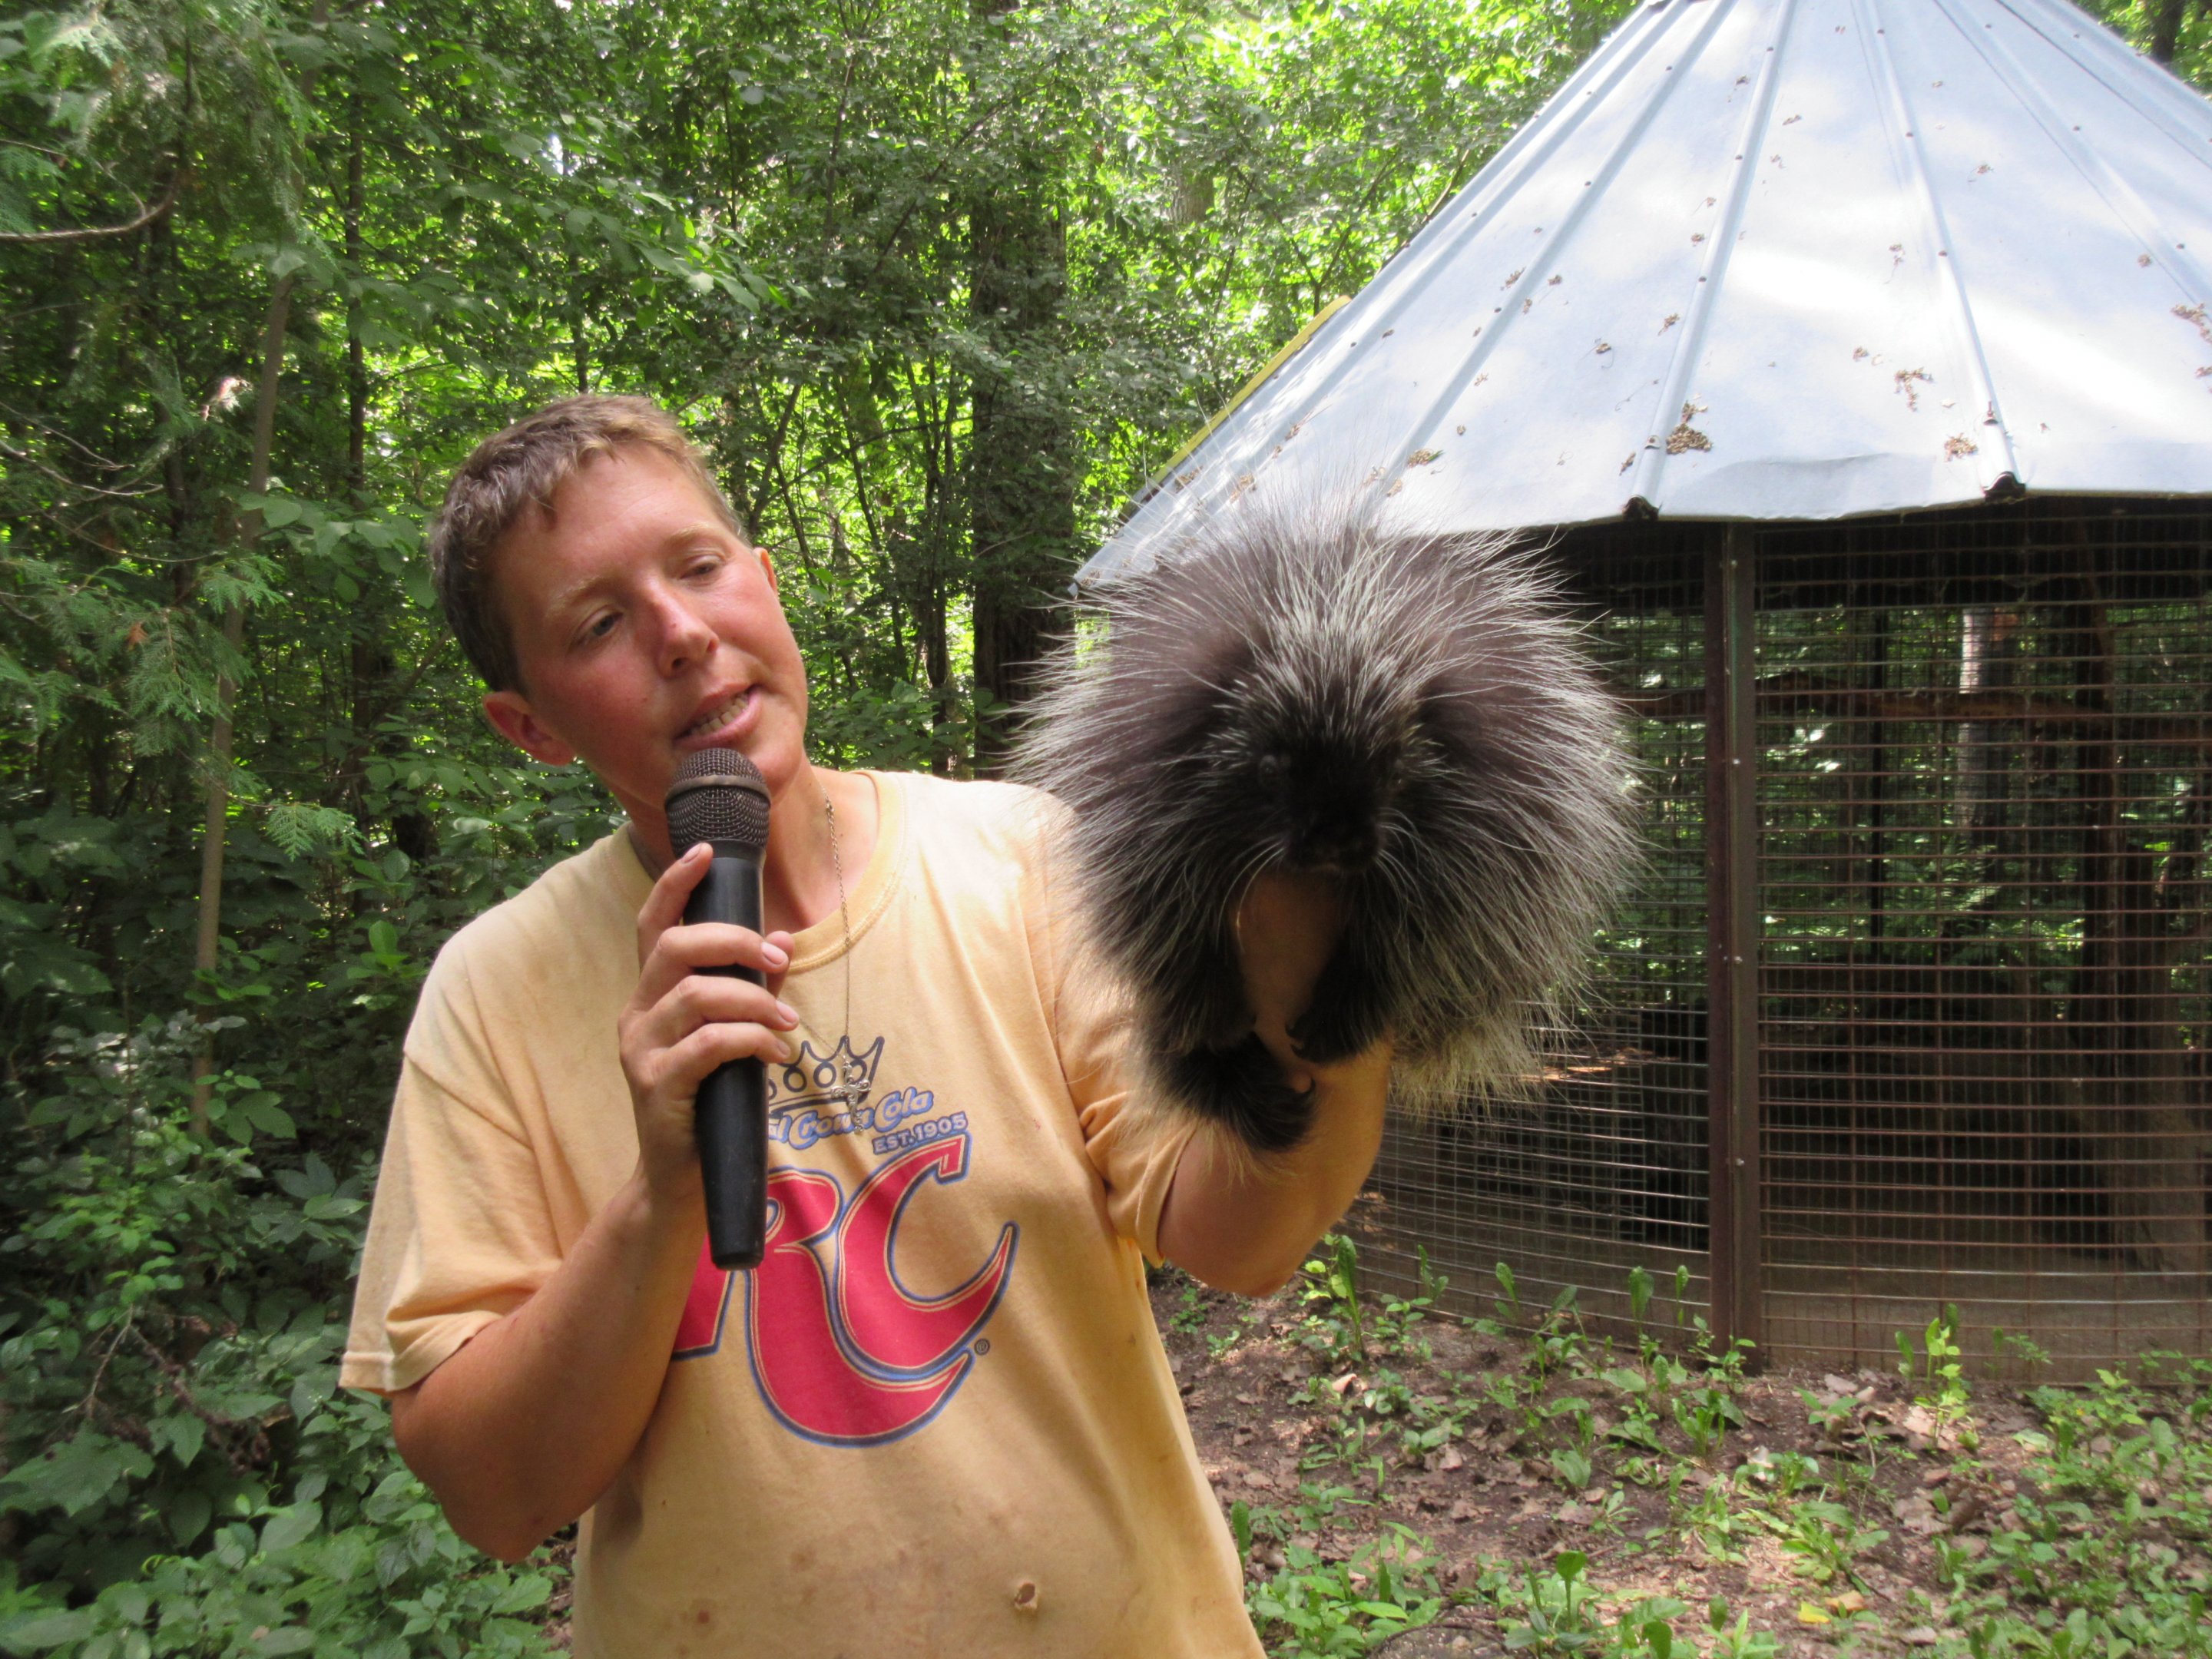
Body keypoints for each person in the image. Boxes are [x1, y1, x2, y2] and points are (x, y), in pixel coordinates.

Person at [340, 395, 1393, 1657]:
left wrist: (1338, 971)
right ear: (532, 728)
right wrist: (660, 1192)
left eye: (699, 566)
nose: (681, 634)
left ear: (767, 584)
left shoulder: (1023, 864)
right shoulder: (493, 994)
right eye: (599, 623)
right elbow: (493, 1496)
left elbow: (1245, 1231)